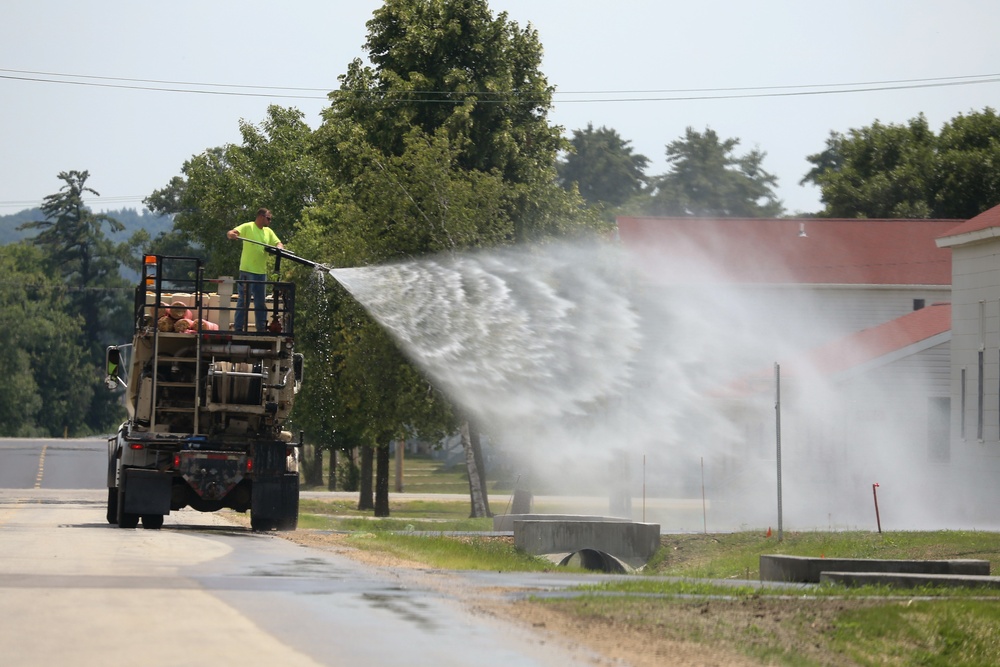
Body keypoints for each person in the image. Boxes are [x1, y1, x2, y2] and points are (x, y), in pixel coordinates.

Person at [227, 208, 283, 332]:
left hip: (261, 273)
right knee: (244, 300)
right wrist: (232, 235)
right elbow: (231, 233)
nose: (269, 221)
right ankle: (238, 328)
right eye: (268, 218)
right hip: (247, 271)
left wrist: (279, 247)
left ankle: (261, 329)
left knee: (260, 302)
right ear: (261, 217)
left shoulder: (268, 231)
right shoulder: (248, 226)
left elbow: (278, 242)